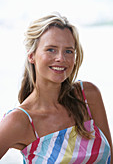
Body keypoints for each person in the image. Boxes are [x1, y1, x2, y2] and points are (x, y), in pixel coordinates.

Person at [0, 12, 112, 164]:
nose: (61, 58)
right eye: (51, 49)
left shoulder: (88, 95)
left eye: (68, 51)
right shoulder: (19, 120)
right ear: (32, 55)